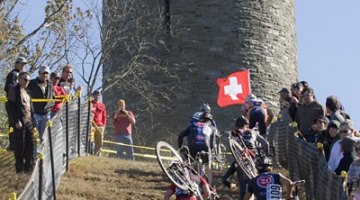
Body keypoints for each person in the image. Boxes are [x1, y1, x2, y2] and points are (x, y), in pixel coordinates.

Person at [222, 115, 269, 200]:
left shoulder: (234, 132)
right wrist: (266, 155)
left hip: (240, 160)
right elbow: (265, 144)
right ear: (246, 125)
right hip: (255, 159)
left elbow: (232, 145)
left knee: (232, 182)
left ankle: (231, 185)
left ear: (236, 125)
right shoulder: (253, 132)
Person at [7, 72, 36, 173]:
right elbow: (10, 107)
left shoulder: (27, 92)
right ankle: (19, 170)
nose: (27, 82)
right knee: (20, 146)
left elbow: (31, 109)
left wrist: (34, 123)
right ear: (19, 79)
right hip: (20, 122)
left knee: (30, 145)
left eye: (28, 80)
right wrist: (16, 121)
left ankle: (28, 168)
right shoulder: (14, 90)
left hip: (29, 122)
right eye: (25, 79)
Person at [178, 111, 217, 185]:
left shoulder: (192, 125)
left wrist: (180, 147)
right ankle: (209, 186)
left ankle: (191, 182)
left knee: (191, 165)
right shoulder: (212, 128)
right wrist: (210, 152)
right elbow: (213, 143)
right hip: (205, 147)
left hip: (193, 147)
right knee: (208, 169)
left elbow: (180, 135)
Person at [4, 56, 28, 151]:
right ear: (17, 64)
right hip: (13, 102)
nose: (22, 66)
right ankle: (13, 145)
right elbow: (8, 87)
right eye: (21, 64)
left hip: (21, 103)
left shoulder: (23, 76)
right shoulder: (13, 74)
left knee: (22, 122)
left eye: (24, 64)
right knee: (13, 122)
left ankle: (20, 144)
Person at [27, 66, 54, 141]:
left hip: (46, 113)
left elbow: (53, 96)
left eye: (47, 73)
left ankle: (43, 153)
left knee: (44, 137)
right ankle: (33, 153)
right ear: (39, 73)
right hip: (35, 113)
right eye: (43, 73)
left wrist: (50, 106)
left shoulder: (49, 84)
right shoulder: (32, 83)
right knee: (34, 136)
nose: (45, 75)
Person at [91, 90, 107, 155]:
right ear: (93, 95)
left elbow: (104, 116)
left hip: (100, 126)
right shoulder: (90, 103)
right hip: (91, 125)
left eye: (99, 95)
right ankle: (89, 154)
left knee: (99, 142)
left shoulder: (102, 105)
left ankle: (96, 155)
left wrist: (104, 126)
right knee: (90, 141)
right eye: (96, 94)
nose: (97, 96)